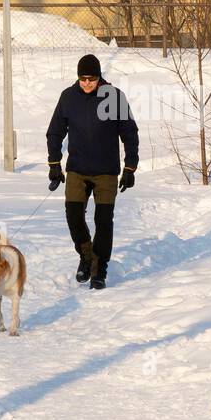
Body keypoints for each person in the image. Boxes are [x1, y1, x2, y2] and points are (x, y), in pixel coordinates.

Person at [46, 54, 138, 289]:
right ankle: (86, 256)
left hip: (106, 170)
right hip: (77, 168)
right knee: (73, 216)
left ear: (99, 78)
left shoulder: (114, 97)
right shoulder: (68, 97)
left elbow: (129, 133)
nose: (87, 83)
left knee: (103, 220)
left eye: (92, 78)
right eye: (83, 78)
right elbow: (55, 132)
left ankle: (99, 270)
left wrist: (130, 167)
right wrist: (54, 164)